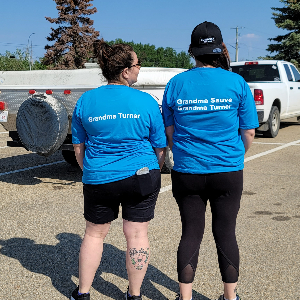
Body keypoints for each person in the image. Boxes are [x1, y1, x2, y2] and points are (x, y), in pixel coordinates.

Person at [162, 21, 259, 300]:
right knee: (226, 231)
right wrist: (235, 154)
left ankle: (185, 296)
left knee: (191, 232)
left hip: (187, 169)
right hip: (227, 169)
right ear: (219, 49)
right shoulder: (237, 82)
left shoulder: (177, 83)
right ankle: (230, 297)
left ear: (193, 51)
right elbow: (249, 131)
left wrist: (183, 151)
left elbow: (169, 132)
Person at [71, 39, 167, 300]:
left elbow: (78, 147)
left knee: (94, 233)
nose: (139, 70)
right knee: (136, 234)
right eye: (138, 65)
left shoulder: (86, 100)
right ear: (125, 71)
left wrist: (90, 171)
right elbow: (160, 147)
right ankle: (134, 295)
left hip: (99, 177)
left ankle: (83, 292)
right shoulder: (146, 101)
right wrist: (151, 170)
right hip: (141, 175)